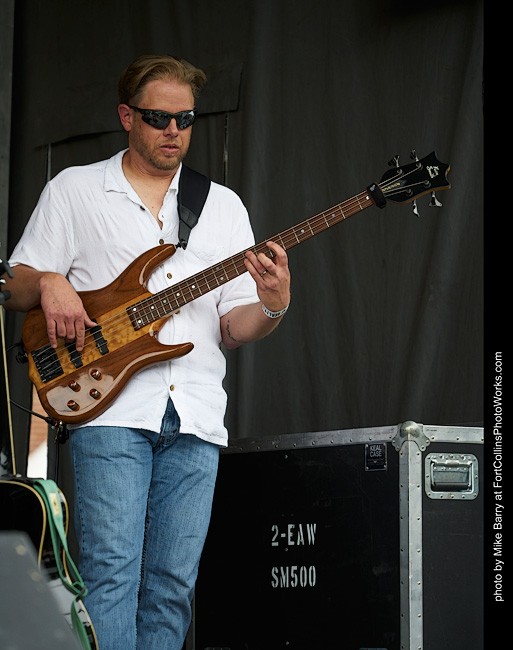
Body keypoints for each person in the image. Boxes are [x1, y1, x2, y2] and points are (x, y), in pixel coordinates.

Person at [2, 54, 291, 650]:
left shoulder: (223, 206)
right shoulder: (76, 189)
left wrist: (273, 305)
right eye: (159, 118)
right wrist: (50, 282)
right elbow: (13, 283)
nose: (174, 131)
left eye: (186, 119)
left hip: (196, 415)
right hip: (109, 409)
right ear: (127, 116)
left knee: (172, 586)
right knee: (110, 575)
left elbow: (232, 328)